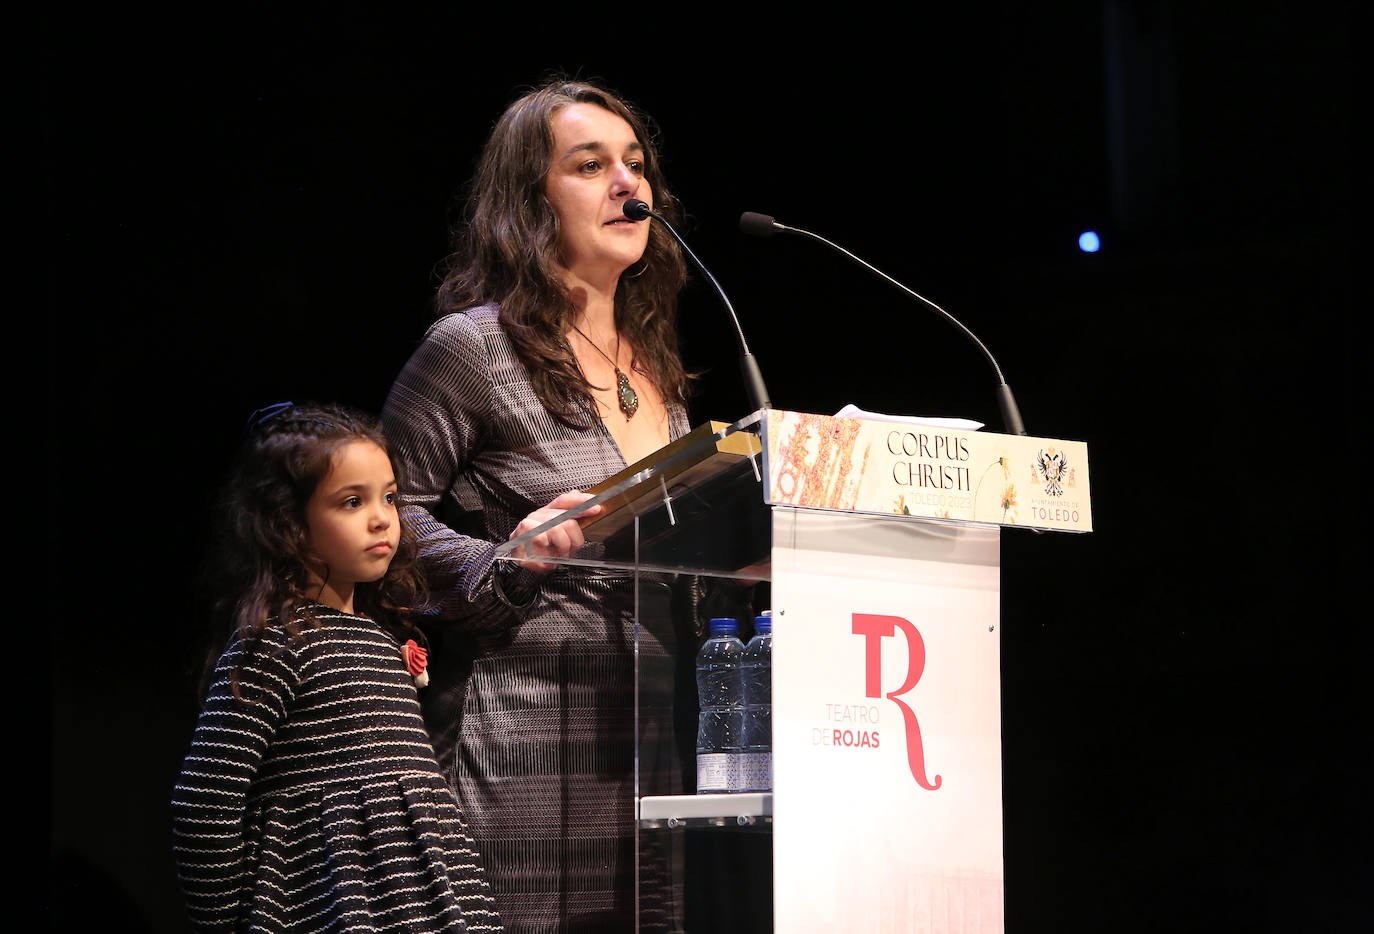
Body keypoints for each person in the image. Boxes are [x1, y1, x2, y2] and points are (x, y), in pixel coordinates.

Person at [381, 79, 694, 931]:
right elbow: (382, 521)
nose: (628, 185)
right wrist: (504, 560)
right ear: (530, 200)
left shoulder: (659, 371)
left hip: (645, 739)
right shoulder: (471, 348)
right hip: (516, 746)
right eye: (590, 166)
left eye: (636, 164)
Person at [171, 402, 504, 933]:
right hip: (334, 904)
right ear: (291, 526)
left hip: (418, 902)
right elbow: (206, 801)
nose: (382, 518)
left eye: (390, 498)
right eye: (352, 501)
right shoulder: (277, 642)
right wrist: (224, 922)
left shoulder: (379, 635)